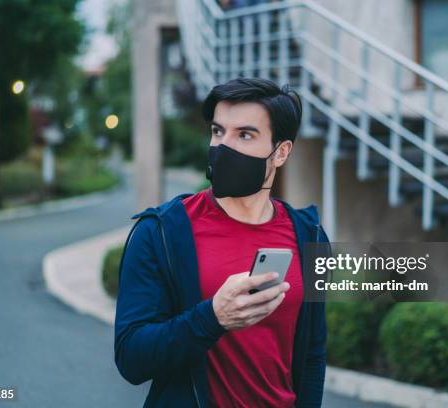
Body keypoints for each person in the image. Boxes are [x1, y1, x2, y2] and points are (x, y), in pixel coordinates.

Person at [114, 78, 329, 407]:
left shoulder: (310, 236)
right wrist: (212, 318)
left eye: (244, 134)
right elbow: (131, 358)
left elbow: (312, 354)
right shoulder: (161, 232)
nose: (223, 147)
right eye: (217, 131)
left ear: (281, 152)